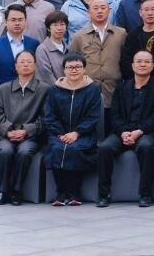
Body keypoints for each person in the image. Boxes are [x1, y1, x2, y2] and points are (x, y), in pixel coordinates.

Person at [97, 49, 154, 207]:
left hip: (146, 131)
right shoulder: (121, 87)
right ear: (133, 65)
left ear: (152, 66)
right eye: (139, 61)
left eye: (146, 62)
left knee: (146, 147)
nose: (142, 64)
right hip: (123, 131)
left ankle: (145, 194)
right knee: (104, 148)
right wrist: (123, 132)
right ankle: (103, 195)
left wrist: (139, 131)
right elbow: (114, 114)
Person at [43, 52, 103, 206]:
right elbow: (49, 115)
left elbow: (93, 116)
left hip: (84, 134)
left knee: (74, 150)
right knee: (58, 149)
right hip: (59, 134)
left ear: (84, 69)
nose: (74, 70)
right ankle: (60, 193)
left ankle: (74, 192)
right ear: (64, 70)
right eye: (70, 67)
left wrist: (77, 133)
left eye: (78, 67)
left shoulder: (92, 89)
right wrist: (61, 134)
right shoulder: (55, 90)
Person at [0, 50, 49, 206]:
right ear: (15, 66)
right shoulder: (4, 88)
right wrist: (9, 131)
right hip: (7, 135)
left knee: (24, 152)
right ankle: (4, 191)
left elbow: (46, 117)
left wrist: (27, 130)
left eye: (29, 61)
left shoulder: (44, 89)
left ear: (35, 66)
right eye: (22, 62)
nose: (26, 64)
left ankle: (17, 191)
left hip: (31, 136)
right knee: (6, 151)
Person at [68, 0, 126, 110]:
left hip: (114, 90)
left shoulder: (121, 34)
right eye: (95, 8)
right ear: (88, 12)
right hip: (87, 91)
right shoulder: (79, 36)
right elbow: (72, 62)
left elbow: (126, 61)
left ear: (109, 11)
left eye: (103, 8)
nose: (99, 11)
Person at [0, 4, 40, 113]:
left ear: (25, 21)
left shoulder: (34, 44)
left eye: (20, 20)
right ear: (6, 22)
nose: (17, 23)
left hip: (30, 98)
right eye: (13, 20)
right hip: (4, 98)